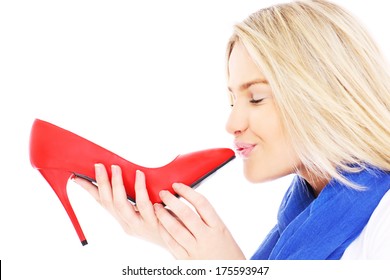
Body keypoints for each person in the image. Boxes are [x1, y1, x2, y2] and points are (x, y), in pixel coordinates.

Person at [74, 0, 390, 260]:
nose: (232, 124)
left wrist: (227, 268)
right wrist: (178, 242)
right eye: (232, 101)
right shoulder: (300, 221)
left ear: (323, 95)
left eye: (256, 98)